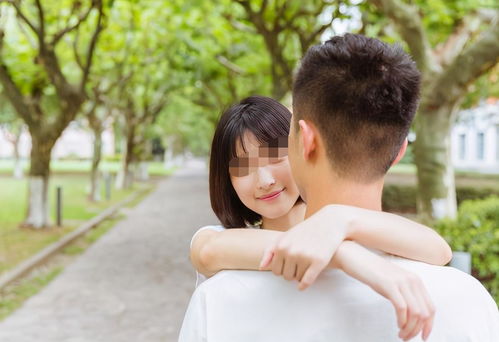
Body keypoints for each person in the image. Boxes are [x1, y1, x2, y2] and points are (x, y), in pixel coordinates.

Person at [179, 34, 499, 342]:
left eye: (275, 155)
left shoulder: (361, 231)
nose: (264, 179)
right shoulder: (224, 245)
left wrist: (339, 221)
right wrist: (347, 255)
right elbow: (207, 250)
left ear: (301, 145)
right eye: (242, 167)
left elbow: (438, 249)